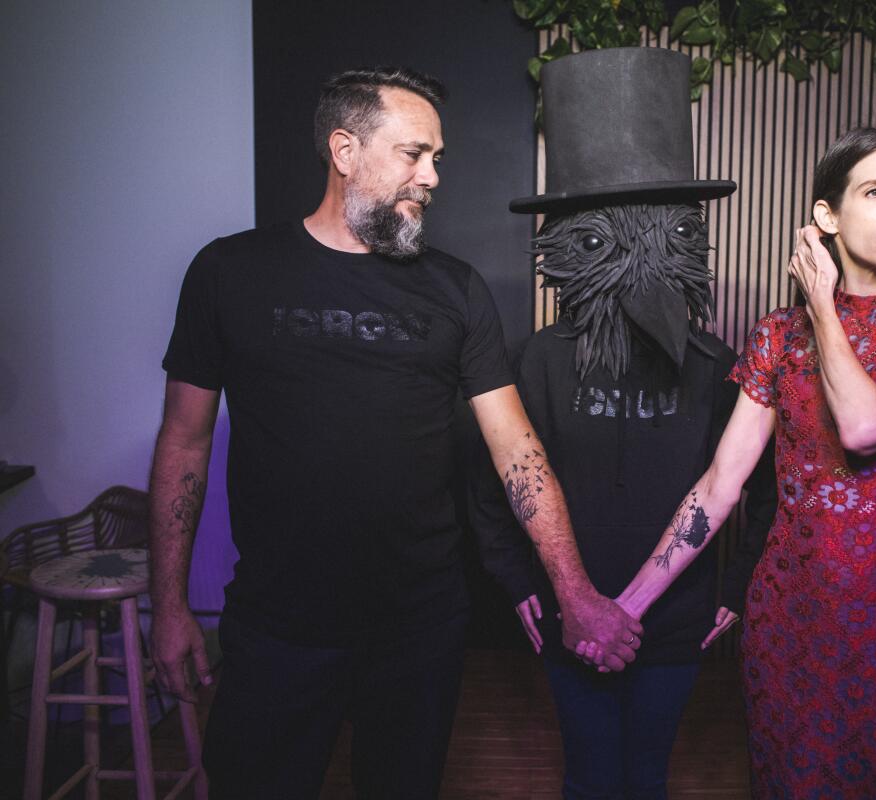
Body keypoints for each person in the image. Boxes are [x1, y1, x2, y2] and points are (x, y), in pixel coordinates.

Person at [147, 66, 641, 800]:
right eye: (415, 153)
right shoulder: (229, 273)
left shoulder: (455, 288)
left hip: (419, 628)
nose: (433, 176)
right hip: (278, 625)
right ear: (344, 151)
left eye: (437, 157)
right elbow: (184, 443)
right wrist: (169, 605)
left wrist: (574, 591)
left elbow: (517, 450)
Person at [589, 126, 876, 798]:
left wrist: (824, 309)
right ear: (826, 217)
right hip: (790, 624)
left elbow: (866, 425)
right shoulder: (778, 336)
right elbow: (721, 486)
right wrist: (625, 608)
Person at [471, 47, 776, 800]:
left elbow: (760, 484)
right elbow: (489, 482)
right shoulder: (535, 363)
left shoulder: (715, 365)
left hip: (674, 626)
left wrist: (735, 587)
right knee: (587, 772)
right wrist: (521, 584)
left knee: (645, 776)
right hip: (566, 616)